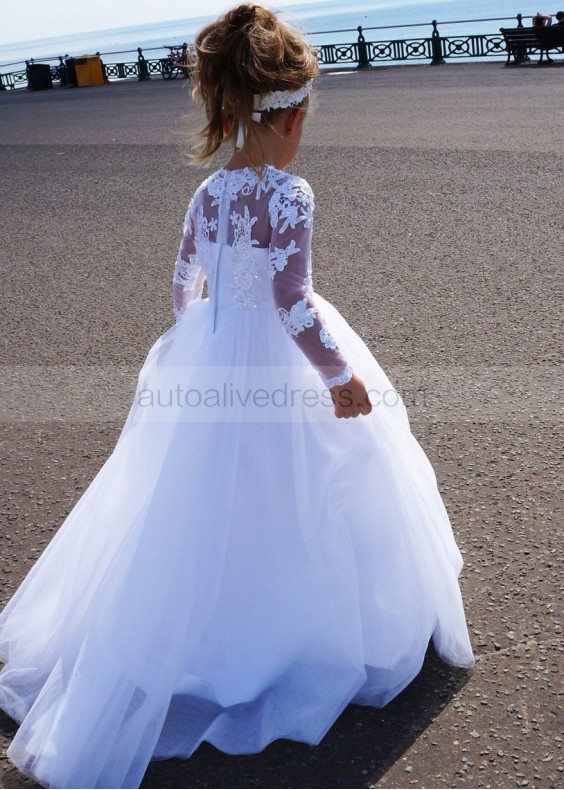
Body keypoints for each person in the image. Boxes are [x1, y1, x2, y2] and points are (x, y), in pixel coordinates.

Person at [0, 4, 474, 788]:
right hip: (281, 367)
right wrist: (339, 376)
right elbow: (295, 303)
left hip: (212, 360)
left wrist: (203, 342)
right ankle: (293, 636)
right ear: (289, 117)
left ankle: (204, 630)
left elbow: (184, 282)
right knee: (302, 490)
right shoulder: (291, 196)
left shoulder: (208, 196)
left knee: (197, 504)